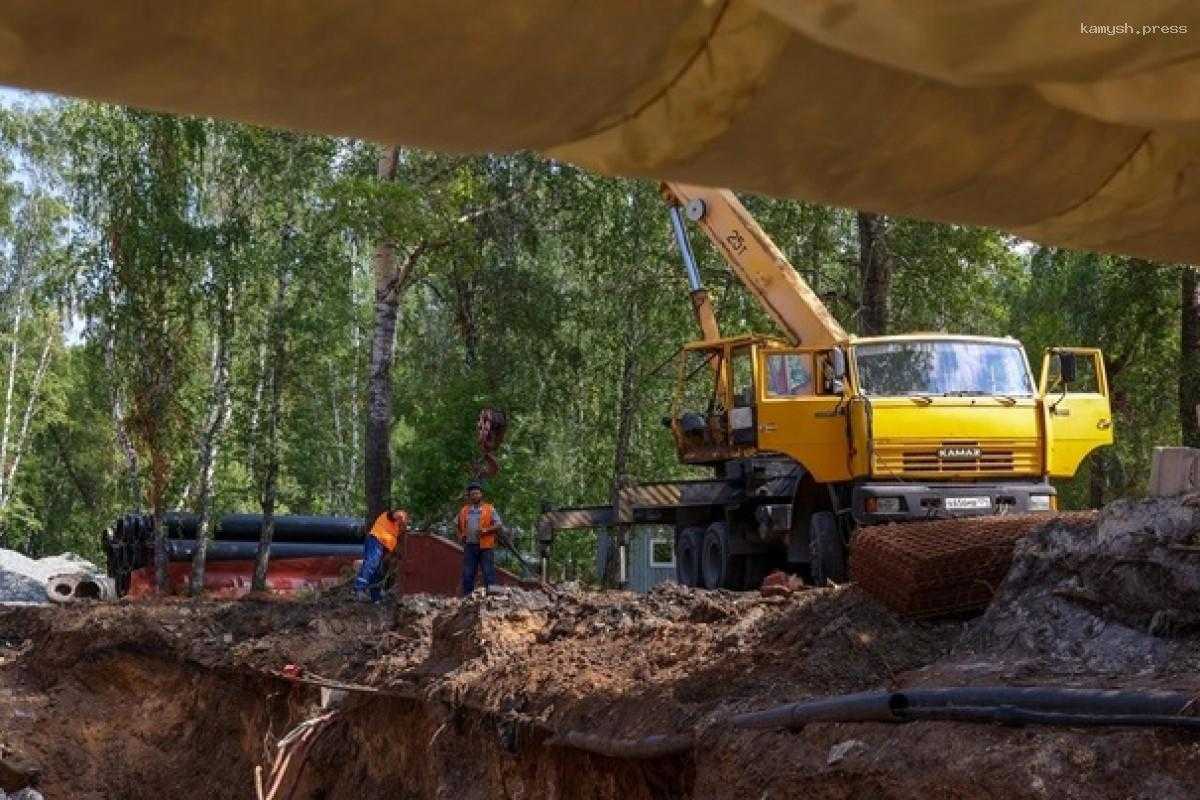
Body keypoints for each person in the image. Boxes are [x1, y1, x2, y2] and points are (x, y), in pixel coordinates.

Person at [457, 481, 503, 595]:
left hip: (486, 547)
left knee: (488, 573)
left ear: (481, 495)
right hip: (470, 546)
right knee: (468, 574)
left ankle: (492, 599)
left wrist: (486, 530)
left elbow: (499, 524)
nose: (475, 496)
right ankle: (467, 599)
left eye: (477, 493)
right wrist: (460, 536)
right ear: (470, 496)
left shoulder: (489, 508)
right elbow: (456, 524)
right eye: (472, 494)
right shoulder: (464, 510)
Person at [354, 508, 408, 602]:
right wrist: (400, 515)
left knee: (378, 570)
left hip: (383, 547)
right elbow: (394, 514)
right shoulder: (388, 516)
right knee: (372, 563)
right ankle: (360, 589)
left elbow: (394, 542)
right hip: (376, 540)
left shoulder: (396, 527)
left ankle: (376, 597)